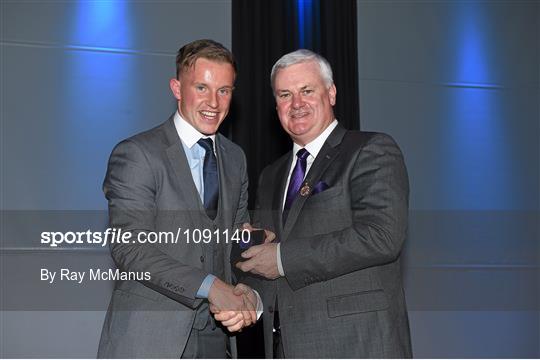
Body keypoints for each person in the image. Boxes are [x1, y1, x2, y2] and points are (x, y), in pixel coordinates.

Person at [230, 49, 412, 358]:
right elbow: (268, 262)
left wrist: (282, 258)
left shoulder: (371, 150)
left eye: (307, 91)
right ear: (276, 106)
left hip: (358, 345)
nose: (296, 103)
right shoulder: (270, 176)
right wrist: (246, 287)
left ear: (331, 93)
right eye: (285, 94)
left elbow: (382, 237)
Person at [97, 39, 258, 358]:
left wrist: (250, 291)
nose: (214, 101)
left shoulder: (235, 159)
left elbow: (237, 242)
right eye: (202, 87)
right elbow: (129, 248)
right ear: (176, 88)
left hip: (218, 338)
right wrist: (211, 286)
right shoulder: (138, 154)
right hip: (149, 341)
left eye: (224, 90)